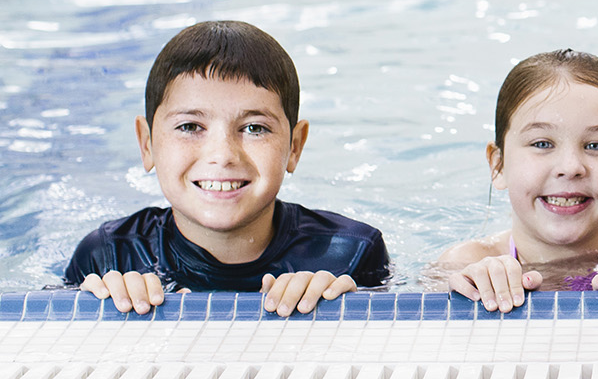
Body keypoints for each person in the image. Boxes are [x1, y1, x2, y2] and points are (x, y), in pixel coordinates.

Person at [65, 20, 390, 315]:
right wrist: (94, 305)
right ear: (147, 144)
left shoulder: (350, 254)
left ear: (294, 146)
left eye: (254, 128)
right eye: (190, 127)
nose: (222, 155)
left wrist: (353, 301)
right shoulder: (110, 257)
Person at [432, 49, 598, 317]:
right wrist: (467, 293)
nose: (570, 168)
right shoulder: (463, 265)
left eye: (595, 145)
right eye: (542, 144)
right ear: (498, 165)